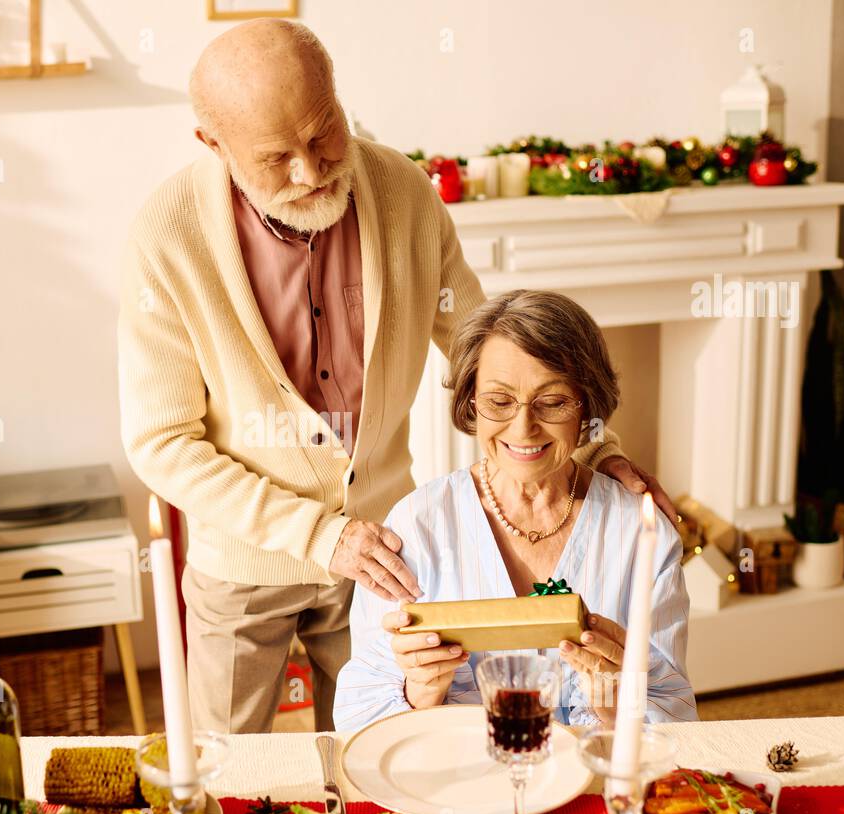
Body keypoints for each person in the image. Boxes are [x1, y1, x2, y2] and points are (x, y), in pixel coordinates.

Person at [118, 20, 676, 734]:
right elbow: (163, 442)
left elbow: (491, 351)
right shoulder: (166, 236)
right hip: (245, 560)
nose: (313, 170)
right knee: (231, 773)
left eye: (324, 135)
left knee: (376, 750)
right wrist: (319, 535)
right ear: (213, 144)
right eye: (276, 158)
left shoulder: (402, 192)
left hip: (385, 554)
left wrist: (598, 447)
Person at [333, 290, 697, 732]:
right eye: (499, 401)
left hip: (592, 779)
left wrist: (614, 697)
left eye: (553, 401)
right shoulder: (416, 526)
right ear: (470, 402)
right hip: (458, 782)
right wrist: (420, 690)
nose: (523, 428)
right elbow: (357, 718)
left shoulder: (638, 533)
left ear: (587, 407)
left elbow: (676, 719)